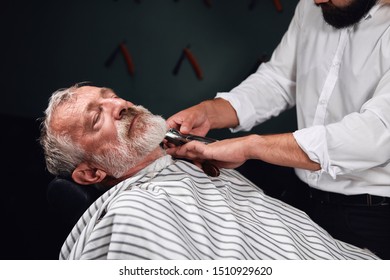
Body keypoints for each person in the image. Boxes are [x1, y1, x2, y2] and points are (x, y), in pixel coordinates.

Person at [39, 84, 378, 259]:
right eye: (97, 118)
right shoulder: (135, 213)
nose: (120, 105)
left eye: (111, 96)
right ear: (91, 175)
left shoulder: (198, 163)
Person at [166, 0, 390, 259]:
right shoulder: (312, 5)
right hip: (302, 198)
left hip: (373, 217)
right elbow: (279, 80)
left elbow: (376, 134)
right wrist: (210, 112)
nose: (315, 1)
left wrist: (253, 147)